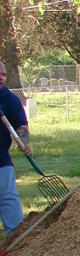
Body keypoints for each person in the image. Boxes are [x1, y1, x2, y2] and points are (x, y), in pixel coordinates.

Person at [0, 62, 29, 234]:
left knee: (8, 200)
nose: (1, 78)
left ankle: (16, 246)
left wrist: (24, 141)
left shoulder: (9, 98)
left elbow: (21, 126)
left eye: (3, 74)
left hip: (1, 160)